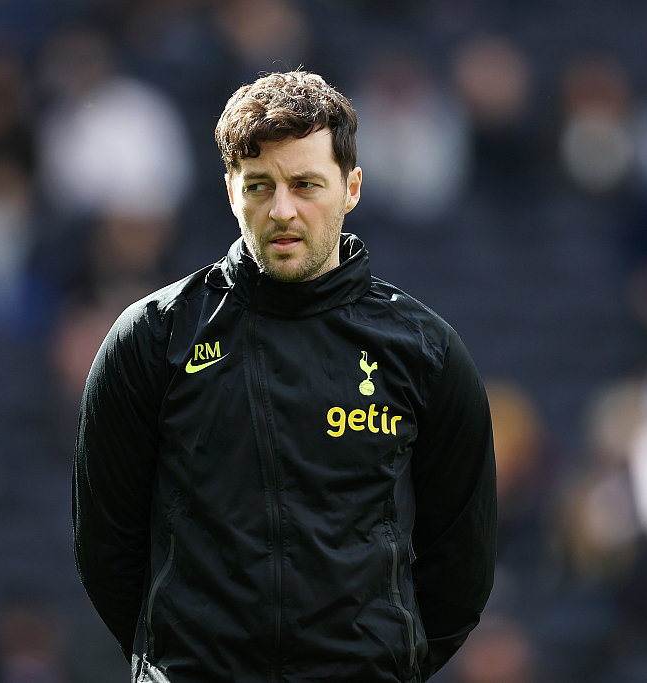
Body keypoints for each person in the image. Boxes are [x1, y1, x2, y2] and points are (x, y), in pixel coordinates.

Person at [73, 70, 497, 683]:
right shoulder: (152, 339)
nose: (282, 210)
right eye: (259, 185)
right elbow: (104, 549)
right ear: (229, 190)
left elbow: (462, 563)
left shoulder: (425, 352)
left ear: (351, 188)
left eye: (306, 184)